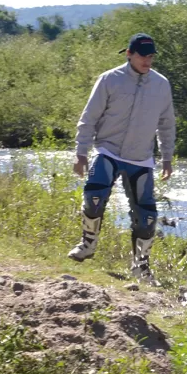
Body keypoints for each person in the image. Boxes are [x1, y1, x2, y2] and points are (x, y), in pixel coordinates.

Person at [68, 33, 176, 286]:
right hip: (108, 150)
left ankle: (140, 267)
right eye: (142, 56)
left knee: (147, 216)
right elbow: (89, 118)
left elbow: (167, 124)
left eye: (151, 56)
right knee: (94, 195)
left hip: (141, 158)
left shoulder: (161, 85)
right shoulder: (109, 80)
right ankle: (87, 244)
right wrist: (81, 153)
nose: (147, 61)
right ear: (129, 54)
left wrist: (167, 158)